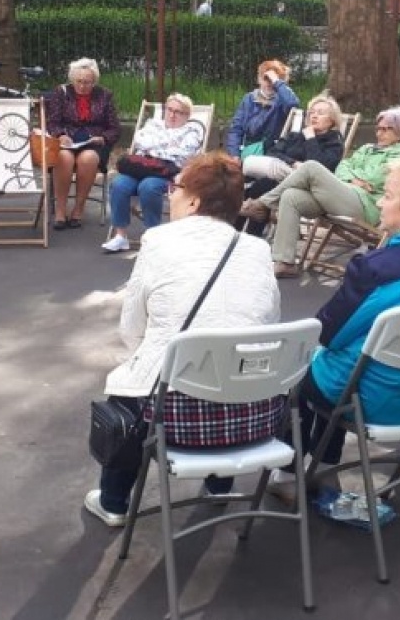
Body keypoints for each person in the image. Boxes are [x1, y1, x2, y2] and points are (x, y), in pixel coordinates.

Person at [83, 153, 283, 526]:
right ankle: (220, 488)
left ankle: (113, 501)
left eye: (175, 188)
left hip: (176, 421)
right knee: (229, 362)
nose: (169, 195)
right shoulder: (257, 250)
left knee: (134, 385)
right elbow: (269, 322)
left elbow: (132, 330)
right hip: (254, 419)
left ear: (193, 202)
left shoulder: (158, 241)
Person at [271, 159, 400, 489]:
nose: (379, 202)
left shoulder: (376, 269)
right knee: (342, 363)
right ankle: (326, 468)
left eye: (388, 195)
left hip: (378, 399)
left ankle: (288, 473)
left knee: (302, 368)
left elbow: (329, 333)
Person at [240, 106, 400, 278]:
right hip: (343, 194)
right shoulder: (366, 149)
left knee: (311, 167)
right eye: (378, 128)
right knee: (291, 196)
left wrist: (355, 177)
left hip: (365, 204)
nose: (379, 133)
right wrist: (354, 179)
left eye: (386, 129)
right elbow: (342, 167)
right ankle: (285, 262)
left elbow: (377, 178)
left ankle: (262, 204)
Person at [103, 93, 205, 253]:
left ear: (187, 115)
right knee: (119, 184)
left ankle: (153, 234)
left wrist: (153, 147)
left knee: (148, 187)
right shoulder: (153, 125)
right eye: (169, 109)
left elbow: (184, 154)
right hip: (141, 168)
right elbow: (140, 140)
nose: (172, 115)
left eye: (178, 112)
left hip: (167, 173)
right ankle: (120, 236)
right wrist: (167, 147)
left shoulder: (192, 132)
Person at [239, 93, 346, 238]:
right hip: (281, 177)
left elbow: (318, 166)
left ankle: (245, 236)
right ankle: (244, 234)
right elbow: (273, 152)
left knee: (261, 186)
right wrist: (293, 163)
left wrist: (311, 139)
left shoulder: (334, 144)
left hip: (307, 188)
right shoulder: (295, 136)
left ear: (332, 120)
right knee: (256, 184)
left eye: (320, 113)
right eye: (311, 113)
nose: (314, 116)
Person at [43, 58, 121, 230]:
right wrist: (61, 135)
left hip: (93, 141)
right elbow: (52, 122)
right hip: (67, 140)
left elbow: (115, 128)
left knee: (88, 159)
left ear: (94, 82)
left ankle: (78, 209)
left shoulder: (105, 95)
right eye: (79, 81)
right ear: (72, 79)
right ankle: (60, 211)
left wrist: (103, 138)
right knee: (63, 157)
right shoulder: (61, 93)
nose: (83, 86)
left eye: (87, 82)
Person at [225, 59, 299, 159]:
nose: (269, 83)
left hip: (273, 153)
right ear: (259, 79)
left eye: (272, 80)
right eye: (265, 79)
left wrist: (277, 81)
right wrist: (234, 155)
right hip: (248, 152)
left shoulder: (283, 100)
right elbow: (236, 129)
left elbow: (292, 104)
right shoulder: (249, 99)